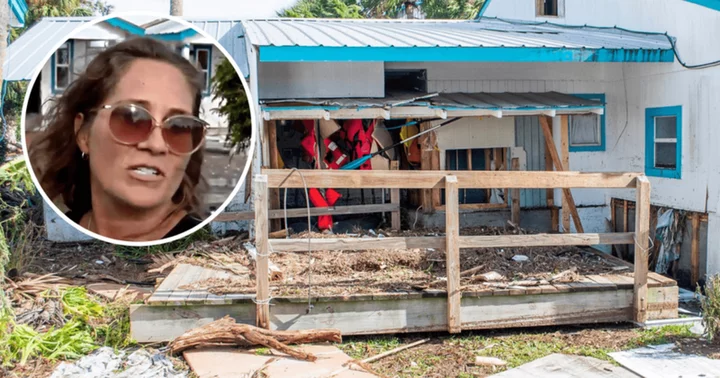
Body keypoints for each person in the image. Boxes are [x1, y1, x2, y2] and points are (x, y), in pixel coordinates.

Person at [28, 36, 210, 242]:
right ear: (84, 134)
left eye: (179, 127)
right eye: (131, 118)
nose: (156, 145)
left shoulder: (204, 248)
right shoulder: (47, 236)